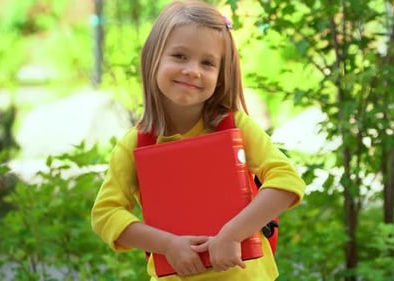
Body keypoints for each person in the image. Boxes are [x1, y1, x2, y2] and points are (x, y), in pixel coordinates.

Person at [90, 0, 306, 280]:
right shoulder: (135, 145)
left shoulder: (235, 127)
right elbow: (106, 214)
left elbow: (287, 182)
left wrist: (231, 235)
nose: (193, 70)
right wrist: (167, 245)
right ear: (153, 57)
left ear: (221, 75)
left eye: (207, 62)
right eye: (180, 56)